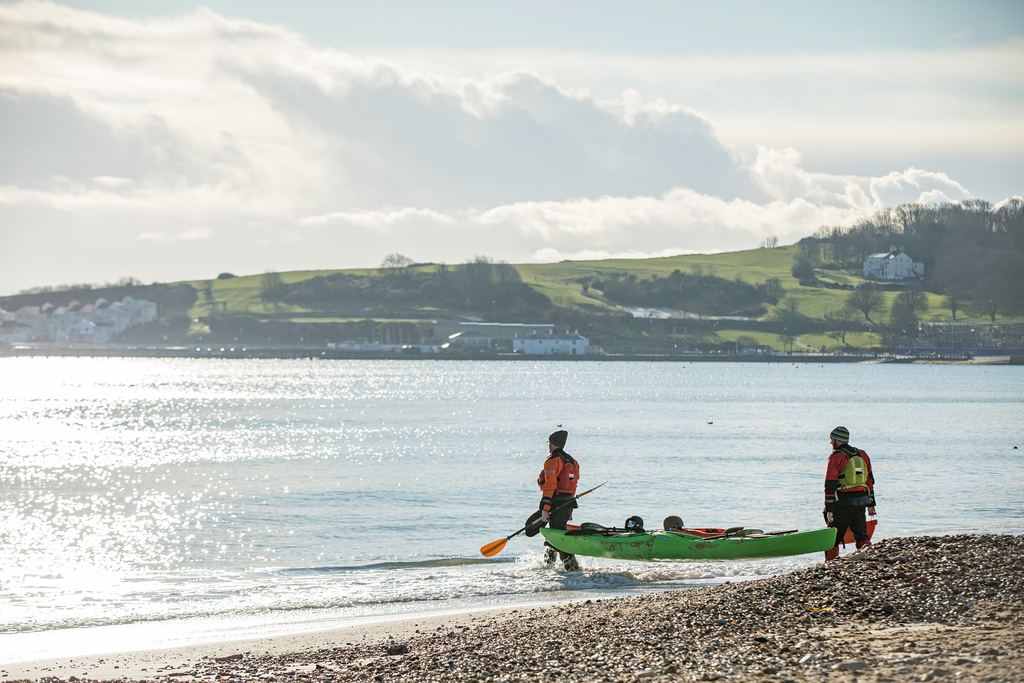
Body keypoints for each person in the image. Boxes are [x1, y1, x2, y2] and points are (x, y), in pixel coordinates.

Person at [823, 425, 876, 562]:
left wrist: (829, 509)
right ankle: (870, 558)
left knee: (832, 537)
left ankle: (830, 563)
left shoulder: (836, 457)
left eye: (831, 439)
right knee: (861, 535)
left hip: (842, 502)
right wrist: (871, 504)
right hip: (861, 501)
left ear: (837, 440)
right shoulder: (862, 454)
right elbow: (869, 480)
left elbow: (830, 483)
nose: (830, 442)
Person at [537, 429, 581, 572]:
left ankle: (573, 569)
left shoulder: (552, 461)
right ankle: (548, 567)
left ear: (552, 443)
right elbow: (574, 485)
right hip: (568, 503)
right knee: (553, 535)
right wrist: (569, 506)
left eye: (548, 442)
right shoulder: (573, 461)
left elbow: (549, 486)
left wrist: (545, 509)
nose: (548, 445)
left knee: (559, 537)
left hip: (556, 504)